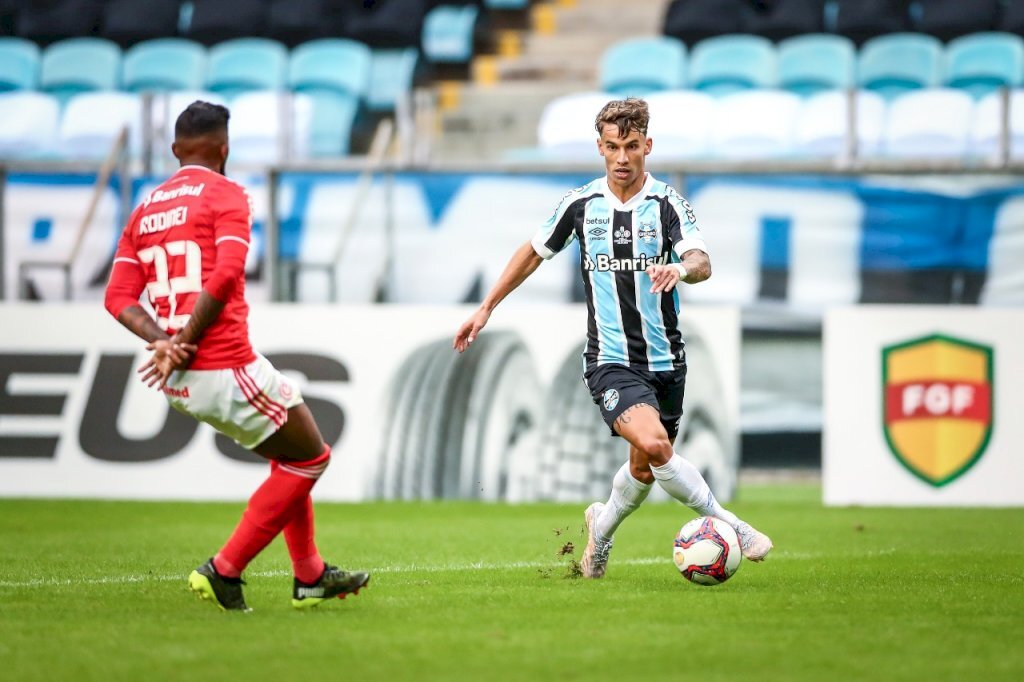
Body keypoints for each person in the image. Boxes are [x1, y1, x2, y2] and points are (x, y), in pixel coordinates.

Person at [453, 97, 772, 578]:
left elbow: (703, 262)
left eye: (630, 146)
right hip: (609, 360)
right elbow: (534, 251)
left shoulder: (667, 204)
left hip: (666, 362)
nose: (621, 158)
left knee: (644, 470)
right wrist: (486, 306)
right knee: (659, 446)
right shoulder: (582, 204)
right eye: (611, 147)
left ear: (647, 145)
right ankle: (731, 525)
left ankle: (599, 530)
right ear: (599, 148)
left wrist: (680, 268)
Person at [103, 101, 369, 611]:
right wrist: (182, 341)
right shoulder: (227, 195)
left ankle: (309, 575)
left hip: (180, 374)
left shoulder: (145, 208)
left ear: (175, 150)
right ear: (224, 149)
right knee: (311, 458)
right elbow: (224, 276)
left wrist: (162, 340)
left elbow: (117, 296)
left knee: (289, 458)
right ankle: (224, 569)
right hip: (221, 364)